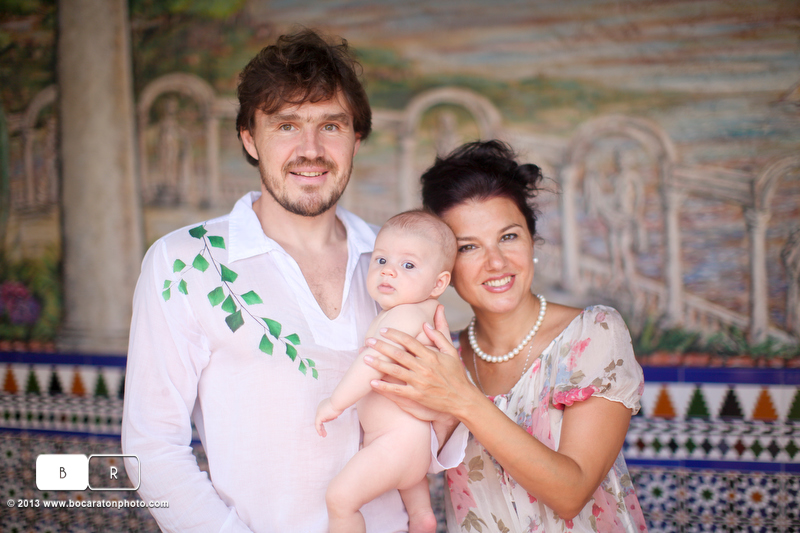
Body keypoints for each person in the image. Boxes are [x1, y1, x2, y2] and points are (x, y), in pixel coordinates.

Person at [121, 29, 465, 533]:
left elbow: (435, 430)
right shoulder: (183, 262)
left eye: (331, 125)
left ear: (356, 139)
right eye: (286, 125)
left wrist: (447, 412)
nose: (311, 150)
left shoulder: (398, 264)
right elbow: (151, 447)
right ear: (249, 139)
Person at [363, 140, 648, 532]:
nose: (496, 262)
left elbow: (572, 493)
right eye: (468, 247)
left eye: (509, 237)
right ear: (444, 270)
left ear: (531, 240)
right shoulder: (440, 357)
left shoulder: (594, 334)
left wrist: (462, 400)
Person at [316, 210, 456, 533]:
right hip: (412, 446)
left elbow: (373, 362)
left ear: (439, 283)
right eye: (381, 260)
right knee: (417, 509)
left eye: (408, 265)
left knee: (340, 499)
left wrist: (335, 403)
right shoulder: (421, 313)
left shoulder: (405, 316)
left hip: (394, 444)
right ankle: (422, 516)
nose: (388, 271)